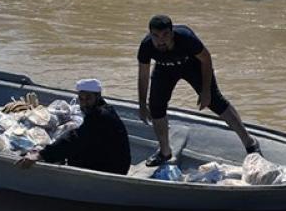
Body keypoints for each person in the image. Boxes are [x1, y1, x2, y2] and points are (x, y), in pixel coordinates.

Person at [137, 15, 260, 166]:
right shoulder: (146, 46)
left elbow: (206, 59)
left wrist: (206, 91)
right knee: (155, 107)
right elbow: (143, 76)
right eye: (155, 36)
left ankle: (249, 142)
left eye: (165, 35)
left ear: (172, 33)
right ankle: (165, 152)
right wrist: (142, 104)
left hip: (193, 66)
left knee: (215, 102)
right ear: (150, 34)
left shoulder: (186, 38)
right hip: (165, 68)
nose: (160, 40)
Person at [16, 79, 131, 175]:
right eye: (81, 99)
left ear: (97, 97)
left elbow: (74, 139)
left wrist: (41, 154)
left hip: (113, 169)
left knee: (72, 152)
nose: (84, 103)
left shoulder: (100, 116)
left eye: (88, 98)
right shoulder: (106, 109)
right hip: (119, 164)